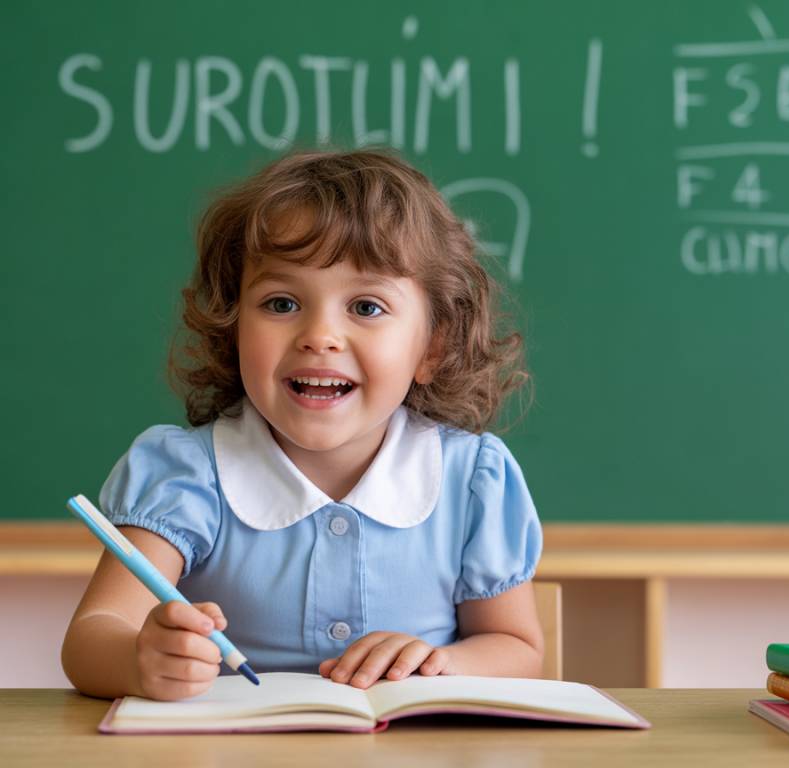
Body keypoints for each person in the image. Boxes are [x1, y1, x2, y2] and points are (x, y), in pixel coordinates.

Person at [61, 150, 543, 701]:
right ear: (234, 328)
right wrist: (138, 659)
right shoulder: (186, 475)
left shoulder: (470, 480)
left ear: (431, 347)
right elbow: (91, 639)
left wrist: (442, 663)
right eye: (282, 301)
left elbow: (517, 646)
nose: (320, 335)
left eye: (365, 307)